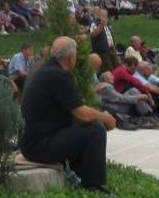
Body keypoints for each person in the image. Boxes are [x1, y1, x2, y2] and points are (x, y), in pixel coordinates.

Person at [20, 37, 115, 190]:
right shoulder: (58, 75)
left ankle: (81, 173)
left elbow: (75, 109)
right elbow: (83, 114)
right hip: (38, 147)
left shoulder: (48, 70)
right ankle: (93, 185)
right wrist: (106, 118)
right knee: (95, 129)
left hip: (34, 141)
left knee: (83, 126)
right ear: (71, 57)